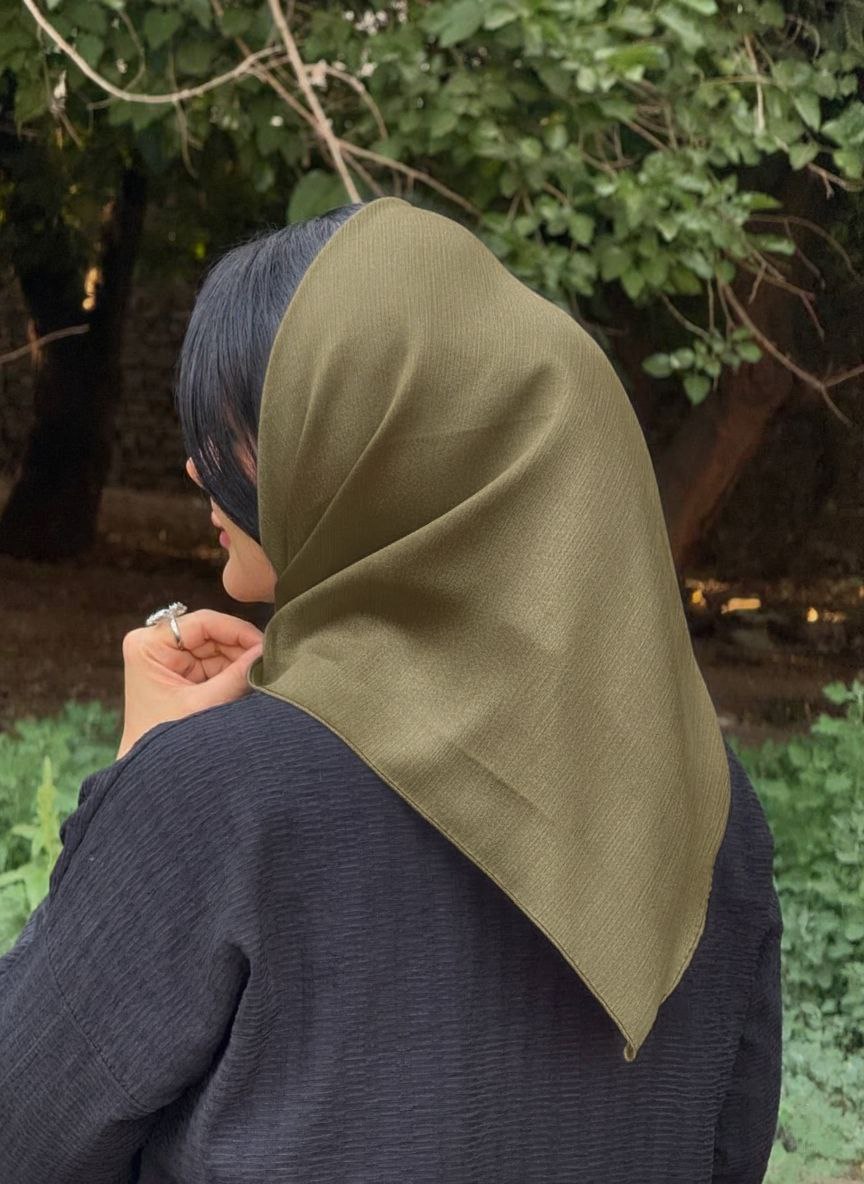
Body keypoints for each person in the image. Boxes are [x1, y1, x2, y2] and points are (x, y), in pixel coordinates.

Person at [0, 196, 782, 1182]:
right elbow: (729, 1149)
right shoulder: (710, 805)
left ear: (377, 444)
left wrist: (141, 777)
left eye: (250, 424)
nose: (198, 466)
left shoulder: (217, 798)